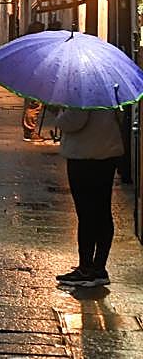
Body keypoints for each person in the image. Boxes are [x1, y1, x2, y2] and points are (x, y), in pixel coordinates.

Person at [54, 106, 124, 287]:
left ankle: (86, 268)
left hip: (84, 155)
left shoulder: (82, 91)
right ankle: (99, 267)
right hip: (108, 152)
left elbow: (73, 121)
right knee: (103, 210)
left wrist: (60, 113)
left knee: (86, 213)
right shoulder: (109, 91)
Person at [21, 21, 46, 141]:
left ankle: (29, 130)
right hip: (35, 76)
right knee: (34, 103)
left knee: (32, 103)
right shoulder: (36, 45)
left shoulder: (26, 42)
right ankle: (29, 131)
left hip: (30, 76)